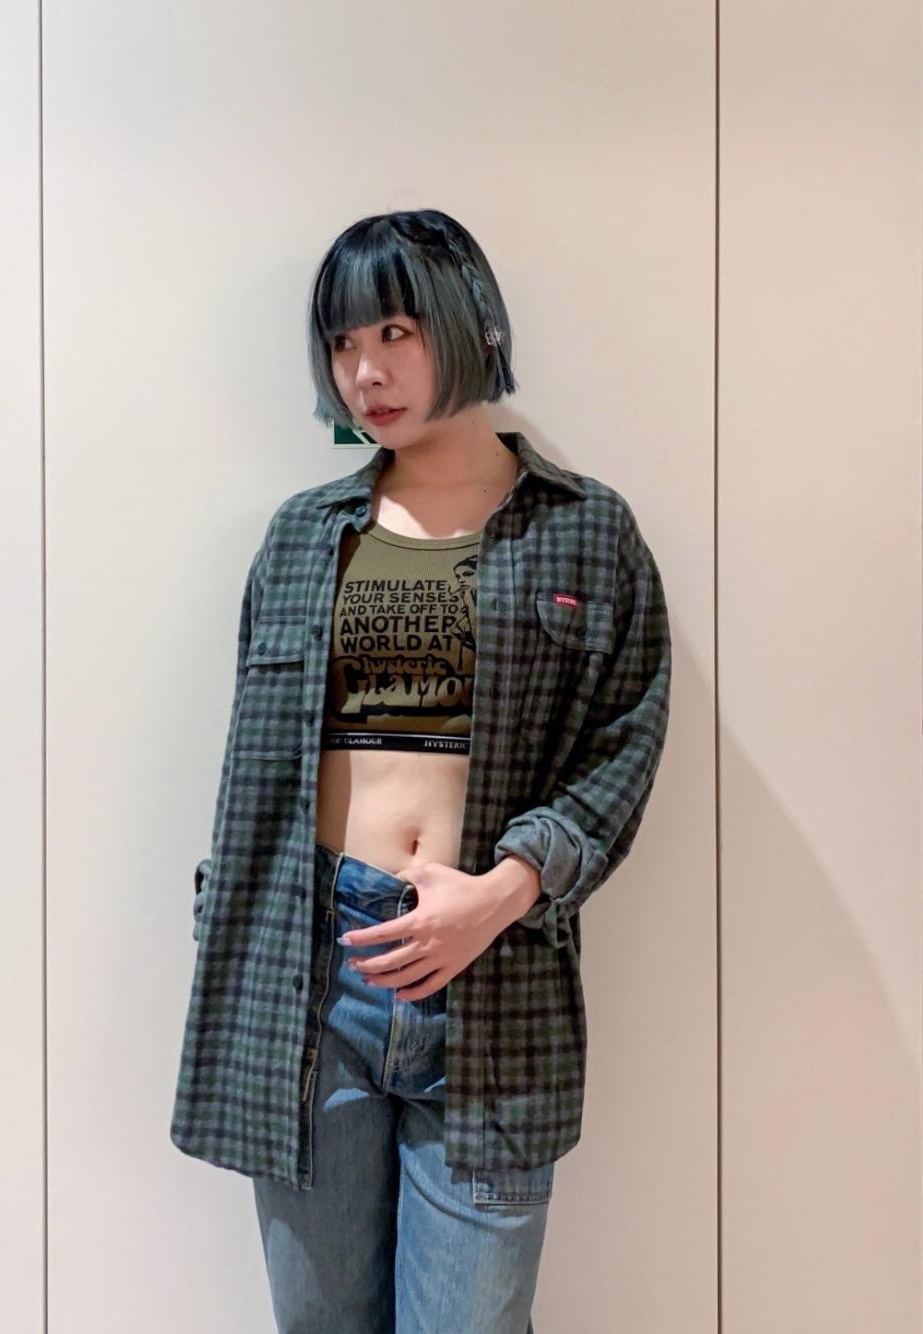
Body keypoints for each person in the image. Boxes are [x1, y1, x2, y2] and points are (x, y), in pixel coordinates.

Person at [171, 208, 673, 1333]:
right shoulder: (306, 536)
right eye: (343, 342)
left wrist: (503, 892)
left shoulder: (583, 531)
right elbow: (256, 768)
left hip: (491, 984)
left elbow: (624, 742)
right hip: (314, 974)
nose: (365, 372)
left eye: (394, 331)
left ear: (468, 322)